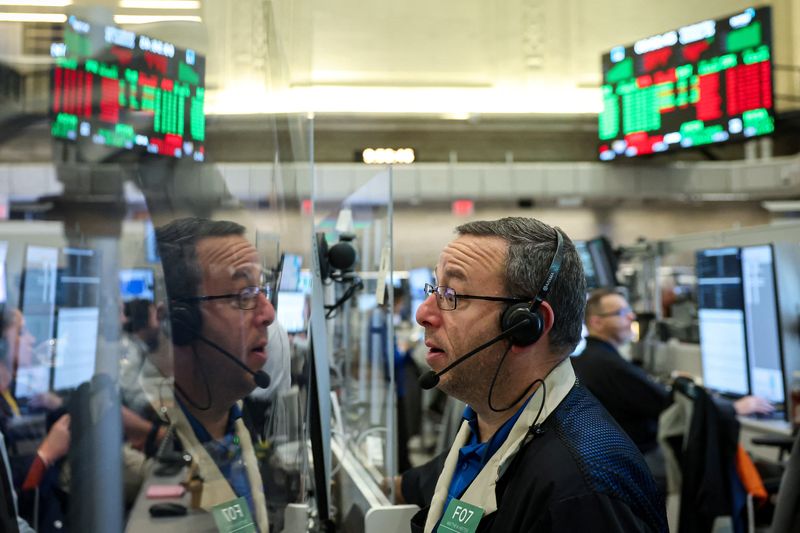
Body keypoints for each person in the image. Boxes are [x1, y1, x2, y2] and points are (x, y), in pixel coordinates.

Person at [408, 217, 667, 532]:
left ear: (526, 326)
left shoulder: (581, 490)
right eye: (435, 288)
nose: (424, 313)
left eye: (453, 294)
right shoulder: (486, 426)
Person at [572, 288, 774, 481]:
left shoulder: (588, 359)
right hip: (637, 458)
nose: (631, 317)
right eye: (621, 313)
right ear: (597, 322)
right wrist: (734, 407)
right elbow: (669, 404)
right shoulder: (610, 366)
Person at [152, 217, 275, 532]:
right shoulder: (149, 450)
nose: (268, 313)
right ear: (181, 323)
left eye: (262, 290)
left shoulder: (235, 425)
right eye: (244, 294)